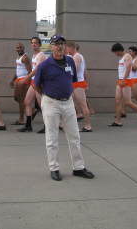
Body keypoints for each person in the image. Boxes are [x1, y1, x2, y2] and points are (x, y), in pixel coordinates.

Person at [34, 34, 94, 181]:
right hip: (50, 103)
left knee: (74, 136)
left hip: (68, 103)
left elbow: (72, 81)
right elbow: (36, 85)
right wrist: (48, 97)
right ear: (52, 47)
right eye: (56, 44)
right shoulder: (44, 65)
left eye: (62, 43)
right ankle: (54, 168)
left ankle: (78, 168)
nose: (59, 46)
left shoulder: (70, 61)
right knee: (52, 137)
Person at [111, 43, 137, 127]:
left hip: (125, 81)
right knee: (117, 101)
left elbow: (129, 68)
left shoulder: (127, 56)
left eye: (115, 52)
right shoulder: (122, 58)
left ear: (118, 50)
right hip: (120, 81)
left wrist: (124, 79)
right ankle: (118, 121)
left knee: (128, 102)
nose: (115, 54)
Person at [17, 37, 47, 133]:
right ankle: (28, 125)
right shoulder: (34, 55)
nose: (34, 44)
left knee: (43, 105)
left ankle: (48, 126)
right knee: (27, 102)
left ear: (39, 44)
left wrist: (27, 78)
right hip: (34, 81)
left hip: (39, 82)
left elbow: (37, 69)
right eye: (32, 43)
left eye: (36, 43)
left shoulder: (41, 55)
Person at [66, 41, 92, 132]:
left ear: (71, 48)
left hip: (78, 83)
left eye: (67, 48)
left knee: (83, 105)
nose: (66, 50)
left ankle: (88, 126)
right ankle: (67, 123)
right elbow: (84, 71)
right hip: (75, 83)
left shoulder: (77, 56)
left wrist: (65, 72)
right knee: (69, 104)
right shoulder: (74, 56)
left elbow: (74, 70)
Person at [10, 43, 32, 126]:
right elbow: (18, 70)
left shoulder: (25, 58)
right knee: (17, 98)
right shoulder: (18, 58)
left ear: (23, 48)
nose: (19, 49)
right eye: (17, 48)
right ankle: (33, 110)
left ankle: (21, 119)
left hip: (23, 81)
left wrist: (27, 82)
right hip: (18, 80)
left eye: (20, 47)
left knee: (21, 100)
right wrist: (13, 80)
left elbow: (30, 71)